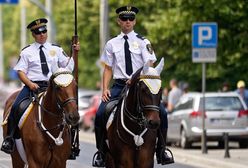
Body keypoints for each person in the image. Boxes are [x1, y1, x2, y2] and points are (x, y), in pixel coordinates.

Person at [92, 5, 173, 167]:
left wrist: (135, 78)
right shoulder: (111, 44)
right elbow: (108, 68)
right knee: (101, 113)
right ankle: (101, 152)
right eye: (124, 19)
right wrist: (105, 89)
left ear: (134, 21)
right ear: (118, 21)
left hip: (140, 85)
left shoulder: (144, 42)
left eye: (130, 19)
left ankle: (161, 151)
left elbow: (149, 63)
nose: (127, 22)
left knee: (162, 113)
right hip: (119, 84)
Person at [1, 18, 79, 154]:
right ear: (33, 35)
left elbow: (68, 67)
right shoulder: (27, 52)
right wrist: (30, 84)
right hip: (33, 87)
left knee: (70, 109)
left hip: (54, 87)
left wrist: (75, 53)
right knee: (15, 108)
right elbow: (20, 71)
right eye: (38, 32)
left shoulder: (56, 49)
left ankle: (71, 144)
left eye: (44, 31)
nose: (42, 34)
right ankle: (10, 139)